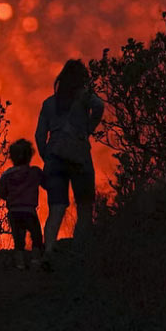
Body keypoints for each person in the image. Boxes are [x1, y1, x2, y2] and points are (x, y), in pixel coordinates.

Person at [34, 59, 105, 255]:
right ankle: (81, 250)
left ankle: (48, 250)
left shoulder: (49, 103)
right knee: (84, 204)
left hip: (55, 158)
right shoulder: (84, 97)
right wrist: (88, 129)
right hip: (79, 155)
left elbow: (39, 135)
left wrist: (47, 156)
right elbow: (99, 106)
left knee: (56, 207)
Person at [0, 138, 45, 269]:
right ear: (30, 156)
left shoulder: (7, 174)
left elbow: (0, 191)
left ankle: (20, 263)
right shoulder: (35, 172)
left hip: (14, 211)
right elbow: (46, 184)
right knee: (36, 236)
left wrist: (10, 197)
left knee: (19, 238)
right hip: (29, 211)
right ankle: (36, 260)